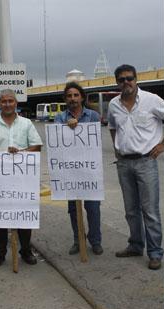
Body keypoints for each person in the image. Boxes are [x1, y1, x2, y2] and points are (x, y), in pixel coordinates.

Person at [108, 64, 164, 270]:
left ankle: (155, 253)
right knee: (131, 210)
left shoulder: (152, 100)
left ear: (136, 79)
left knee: (149, 210)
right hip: (124, 163)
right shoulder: (114, 105)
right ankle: (135, 245)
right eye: (121, 79)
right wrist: (117, 149)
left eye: (129, 78)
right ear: (117, 82)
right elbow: (113, 127)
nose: (126, 82)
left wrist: (163, 144)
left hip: (145, 162)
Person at [0, 89, 42, 268]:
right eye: (4, 101)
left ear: (16, 103)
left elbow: (37, 146)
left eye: (10, 101)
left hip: (22, 180)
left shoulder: (26, 124)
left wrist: (21, 152)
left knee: (23, 217)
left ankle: (25, 251)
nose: (7, 104)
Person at [54, 82, 102, 256]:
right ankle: (78, 240)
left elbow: (96, 143)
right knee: (74, 209)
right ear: (65, 99)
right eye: (69, 96)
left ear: (82, 97)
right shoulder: (59, 118)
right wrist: (67, 127)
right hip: (70, 171)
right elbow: (57, 144)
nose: (72, 99)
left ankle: (96, 241)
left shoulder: (93, 116)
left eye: (75, 95)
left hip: (89, 171)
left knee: (93, 207)